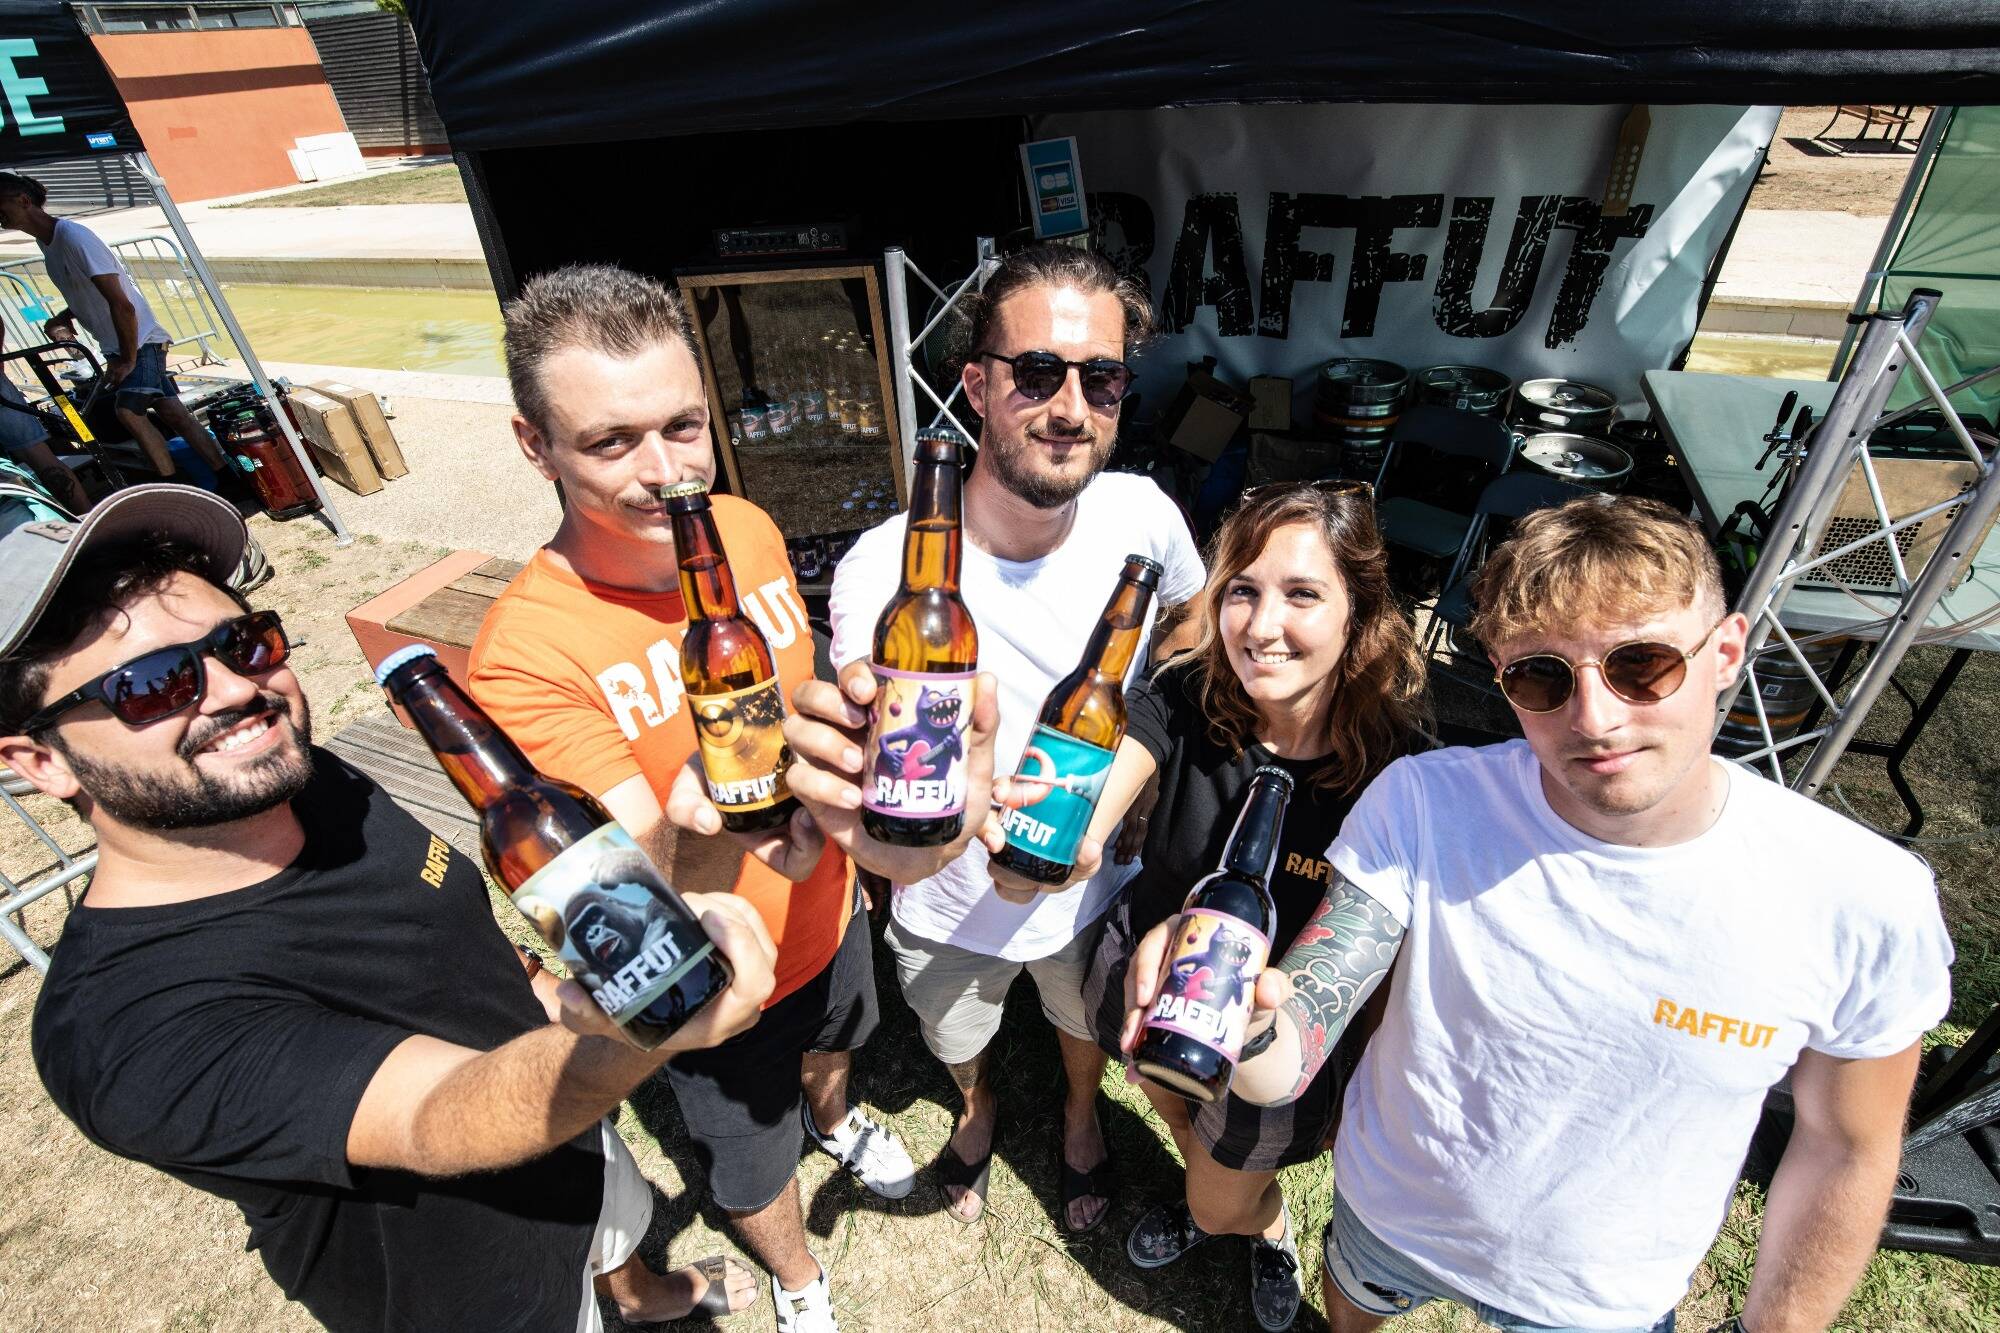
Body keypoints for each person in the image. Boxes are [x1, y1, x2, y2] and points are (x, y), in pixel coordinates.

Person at [1119, 494, 1956, 1333]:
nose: (1594, 717)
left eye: (1641, 665)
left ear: (1726, 651)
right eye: (1543, 676)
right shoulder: (1425, 800)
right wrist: (1238, 1014)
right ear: (1502, 679)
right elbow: (1293, 1041)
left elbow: (1848, 1145)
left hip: (1599, 1300)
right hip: (1387, 1216)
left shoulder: (1861, 900)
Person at [0, 484, 777, 1332]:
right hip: (478, 1292)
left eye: (245, 642)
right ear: (41, 762)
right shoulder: (121, 1029)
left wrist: (682, 875)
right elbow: (432, 1118)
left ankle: (644, 1292)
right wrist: (642, 1031)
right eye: (153, 685)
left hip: (576, 1122)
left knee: (617, 1230)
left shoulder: (313, 783)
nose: (233, 690)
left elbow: (463, 942)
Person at [690, 243, 1207, 1233]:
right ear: (974, 384)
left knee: (1076, 1020)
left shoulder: (1141, 516)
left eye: (1099, 378)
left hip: (1086, 878)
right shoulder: (883, 570)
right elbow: (877, 766)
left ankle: (1077, 1113)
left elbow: (1185, 623)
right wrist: (879, 826)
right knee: (954, 1026)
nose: (1068, 407)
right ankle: (976, 1110)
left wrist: (1130, 775)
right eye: (1037, 372)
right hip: (944, 898)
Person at [466, 264, 911, 1333]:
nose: (666, 473)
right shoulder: (523, 657)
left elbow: (789, 687)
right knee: (750, 1161)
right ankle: (797, 1278)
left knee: (840, 1036)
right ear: (536, 447)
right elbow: (634, 890)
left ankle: (838, 1119)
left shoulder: (742, 529)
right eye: (611, 443)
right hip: (711, 989)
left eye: (684, 426)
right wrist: (708, 813)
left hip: (829, 907)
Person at [1059, 481, 1422, 1331]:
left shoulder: (1400, 772)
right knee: (1168, 1088)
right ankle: (1214, 1186)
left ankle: (1255, 1221)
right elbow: (1103, 787)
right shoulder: (1187, 698)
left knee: (1223, 1199)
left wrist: (1355, 1070)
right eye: (1243, 590)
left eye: (1301, 594)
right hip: (1149, 978)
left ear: (1358, 616)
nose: (1261, 625)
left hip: (1278, 1043)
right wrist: (1071, 831)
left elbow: (1386, 961)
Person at [0, 172, 227, 482]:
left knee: (128, 413)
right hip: (121, 343)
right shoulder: (48, 243)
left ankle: (174, 487)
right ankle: (226, 475)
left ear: (23, 201)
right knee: (173, 414)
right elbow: (90, 292)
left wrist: (128, 358)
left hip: (139, 339)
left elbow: (123, 303)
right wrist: (65, 316)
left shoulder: (74, 237)